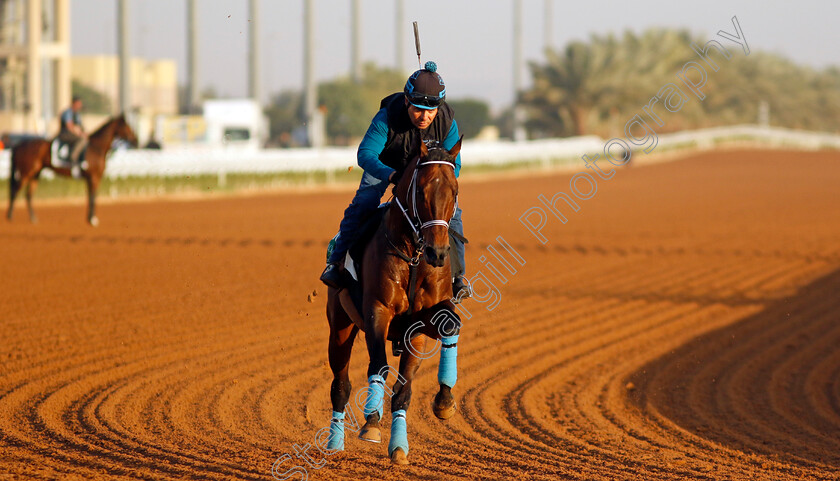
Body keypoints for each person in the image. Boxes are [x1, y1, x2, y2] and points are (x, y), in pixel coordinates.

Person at [320, 61, 471, 301]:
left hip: (424, 171)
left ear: (438, 108)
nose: (424, 117)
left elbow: (456, 165)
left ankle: (457, 279)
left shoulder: (447, 122)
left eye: (430, 111)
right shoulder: (386, 117)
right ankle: (336, 261)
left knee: (452, 214)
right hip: (386, 165)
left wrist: (436, 184)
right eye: (417, 110)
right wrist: (391, 175)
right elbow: (365, 154)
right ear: (406, 102)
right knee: (365, 201)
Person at [57, 96, 88, 174]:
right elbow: (69, 126)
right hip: (65, 134)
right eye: (78, 104)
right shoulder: (67, 113)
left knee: (85, 139)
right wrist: (80, 134)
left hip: (74, 134)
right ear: (73, 103)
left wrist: (84, 133)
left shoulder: (77, 114)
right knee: (81, 139)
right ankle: (73, 157)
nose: (80, 106)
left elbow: (80, 126)